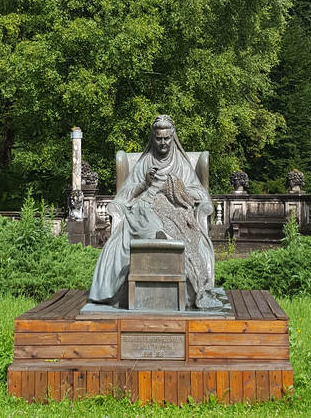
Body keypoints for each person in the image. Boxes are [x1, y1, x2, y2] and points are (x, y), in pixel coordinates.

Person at [87, 115, 221, 309]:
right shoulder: (144, 163)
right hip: (145, 208)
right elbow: (124, 195)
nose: (163, 142)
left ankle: (160, 237)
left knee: (175, 231)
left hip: (174, 210)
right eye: (159, 138)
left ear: (173, 137)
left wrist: (175, 185)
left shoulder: (181, 164)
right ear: (153, 137)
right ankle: (150, 239)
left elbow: (200, 194)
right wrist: (144, 183)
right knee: (123, 238)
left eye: (167, 138)